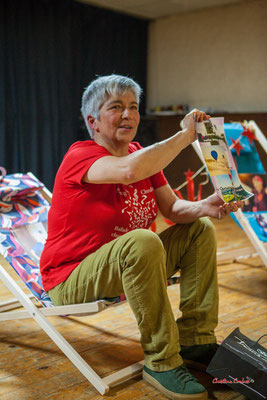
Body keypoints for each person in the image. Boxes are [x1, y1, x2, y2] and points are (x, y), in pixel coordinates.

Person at [40, 74, 241, 400]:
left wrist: (205, 205)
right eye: (116, 107)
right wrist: (185, 136)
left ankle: (195, 339)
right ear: (92, 121)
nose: (128, 115)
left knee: (200, 229)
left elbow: (173, 207)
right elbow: (129, 170)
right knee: (142, 240)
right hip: (70, 277)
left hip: (128, 265)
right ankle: (161, 360)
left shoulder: (139, 153)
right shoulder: (81, 155)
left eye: (133, 107)